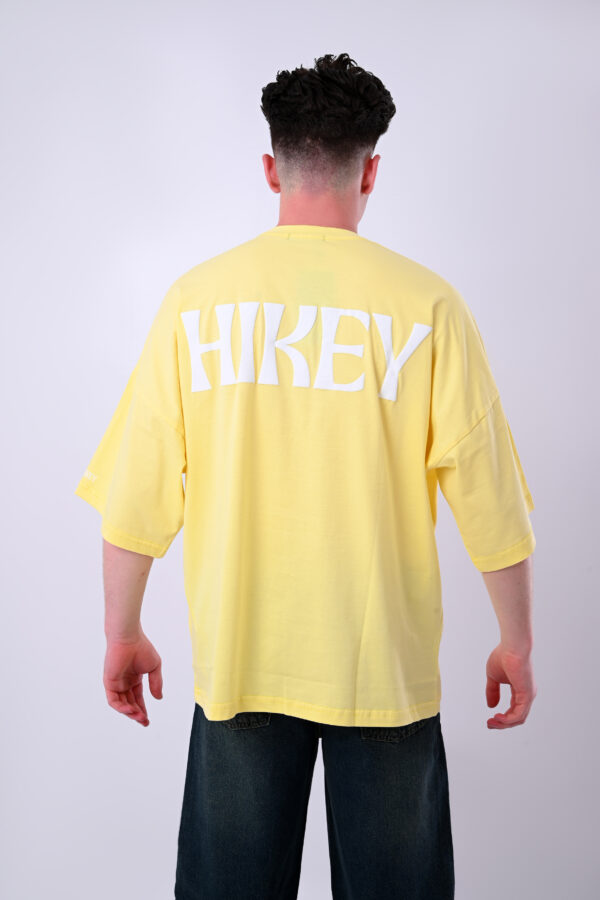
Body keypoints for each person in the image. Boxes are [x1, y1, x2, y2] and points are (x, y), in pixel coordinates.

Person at [74, 52, 537, 900]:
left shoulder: (196, 301)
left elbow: (136, 493)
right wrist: (516, 641)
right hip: (383, 666)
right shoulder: (428, 306)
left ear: (270, 168)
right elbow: (492, 500)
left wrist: (122, 631)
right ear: (371, 172)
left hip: (242, 656)